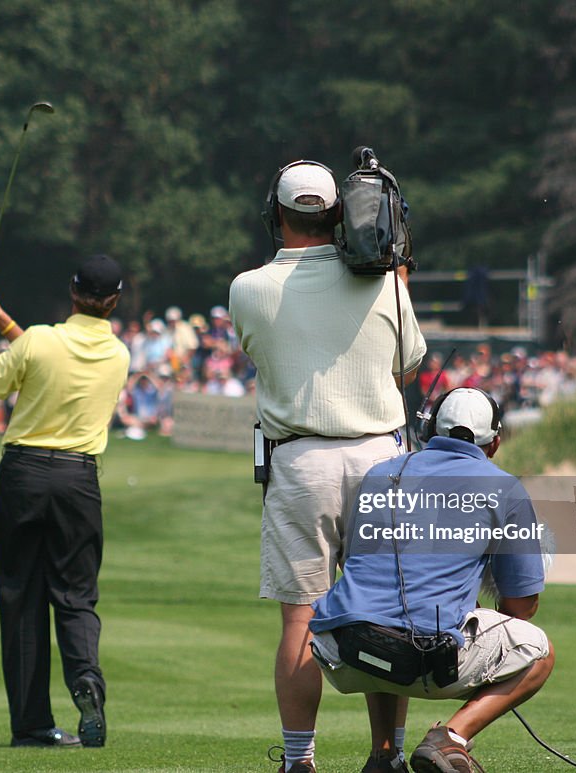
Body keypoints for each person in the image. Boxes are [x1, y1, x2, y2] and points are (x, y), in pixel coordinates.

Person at [229, 160, 426, 773]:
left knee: (301, 617)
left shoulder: (248, 288)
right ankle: (385, 755)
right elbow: (409, 363)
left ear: (276, 215)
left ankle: (298, 761)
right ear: (338, 214)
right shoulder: (384, 283)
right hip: (381, 459)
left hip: (301, 459)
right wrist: (397, 271)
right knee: (387, 617)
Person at [309, 387, 554, 773]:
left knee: (376, 612)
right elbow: (521, 606)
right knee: (539, 651)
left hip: (338, 651)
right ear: (495, 442)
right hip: (423, 660)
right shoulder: (506, 488)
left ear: (428, 432)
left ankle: (384, 757)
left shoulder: (379, 474)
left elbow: (359, 568)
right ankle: (450, 739)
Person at [0, 254, 130, 749]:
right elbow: (45, 354)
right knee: (76, 598)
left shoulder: (40, 339)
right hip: (78, 481)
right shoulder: (118, 354)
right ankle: (87, 682)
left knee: (22, 601)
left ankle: (33, 724)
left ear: (72, 292)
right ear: (114, 302)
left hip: (23, 475)